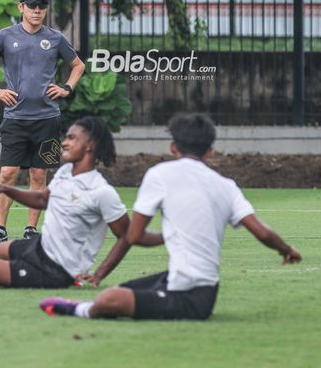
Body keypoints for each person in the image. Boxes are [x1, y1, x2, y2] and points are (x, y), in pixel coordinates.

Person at [39, 113, 302, 320]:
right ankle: (92, 304)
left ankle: (79, 310)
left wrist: (166, 235)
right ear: (210, 151)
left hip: (188, 297)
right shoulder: (226, 184)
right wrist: (287, 249)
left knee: (111, 300)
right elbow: (263, 233)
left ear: (173, 147)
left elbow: (133, 236)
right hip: (202, 290)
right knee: (120, 291)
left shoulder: (160, 174)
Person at [0, 117, 132, 289]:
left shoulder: (101, 191)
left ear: (89, 146)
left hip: (56, 269)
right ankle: (15, 273)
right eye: (66, 137)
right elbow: (42, 199)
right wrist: (5, 189)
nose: (64, 143)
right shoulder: (65, 172)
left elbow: (126, 235)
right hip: (40, 247)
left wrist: (100, 274)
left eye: (72, 138)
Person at [0, 0, 86, 244]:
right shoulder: (4, 36)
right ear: (20, 7)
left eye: (42, 6)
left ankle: (31, 231)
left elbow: (78, 65)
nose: (37, 10)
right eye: (32, 5)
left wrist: (67, 87)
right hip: (15, 119)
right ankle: (0, 230)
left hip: (47, 119)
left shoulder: (56, 38)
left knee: (39, 175)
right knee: (7, 174)